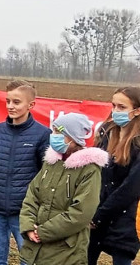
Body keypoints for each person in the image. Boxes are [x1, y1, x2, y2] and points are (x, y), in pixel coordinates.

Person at [0, 80, 50, 265]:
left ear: (31, 105)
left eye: (16, 102)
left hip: (25, 212)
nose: (10, 106)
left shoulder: (42, 134)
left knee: (28, 259)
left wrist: (40, 210)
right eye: (8, 101)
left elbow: (45, 176)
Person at [20, 113, 108, 265]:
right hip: (35, 249)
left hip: (66, 252)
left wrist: (42, 232)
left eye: (59, 132)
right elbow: (32, 196)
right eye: (53, 131)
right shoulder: (51, 163)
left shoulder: (89, 170)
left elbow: (81, 212)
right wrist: (28, 225)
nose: (53, 136)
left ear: (74, 138)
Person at [89, 87, 140, 265]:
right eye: (113, 106)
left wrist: (100, 216)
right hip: (96, 214)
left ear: (137, 111)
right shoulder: (106, 132)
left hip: (125, 220)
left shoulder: (138, 143)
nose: (115, 111)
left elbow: (131, 188)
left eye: (121, 107)